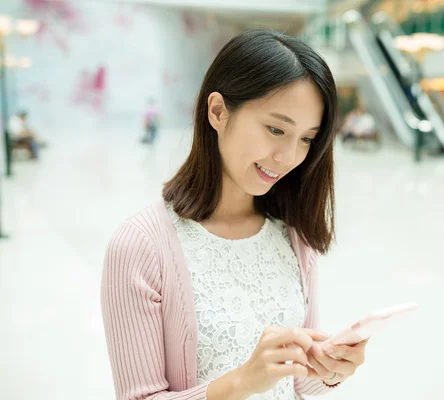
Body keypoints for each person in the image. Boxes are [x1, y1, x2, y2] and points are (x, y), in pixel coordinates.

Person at [101, 30, 368, 400]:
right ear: (218, 112)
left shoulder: (293, 236)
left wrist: (329, 368)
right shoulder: (141, 246)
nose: (289, 156)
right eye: (276, 129)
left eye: (307, 138)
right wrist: (241, 382)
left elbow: (299, 385)